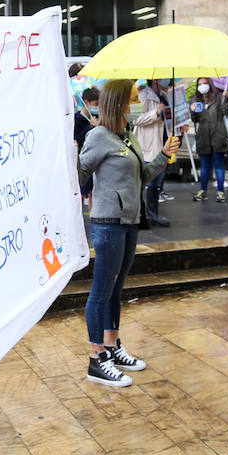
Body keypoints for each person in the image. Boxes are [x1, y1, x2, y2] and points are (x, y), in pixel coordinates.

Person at [77, 79, 179, 388]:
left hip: (130, 221)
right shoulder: (99, 136)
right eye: (130, 100)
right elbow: (78, 173)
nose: (134, 104)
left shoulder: (127, 136)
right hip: (107, 223)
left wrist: (163, 155)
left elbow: (142, 177)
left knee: (116, 288)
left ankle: (112, 345)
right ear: (117, 103)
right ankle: (97, 359)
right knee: (100, 291)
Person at [133, 79, 172, 225]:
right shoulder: (143, 95)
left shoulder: (164, 95)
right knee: (145, 180)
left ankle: (153, 214)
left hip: (162, 143)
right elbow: (136, 119)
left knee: (157, 182)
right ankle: (141, 215)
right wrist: (155, 113)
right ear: (155, 79)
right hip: (148, 145)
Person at [191, 77, 228, 202]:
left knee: (219, 166)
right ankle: (203, 191)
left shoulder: (219, 98)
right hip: (203, 138)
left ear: (210, 84)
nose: (202, 86)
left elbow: (226, 112)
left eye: (205, 83)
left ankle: (220, 192)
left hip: (218, 136)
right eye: (200, 84)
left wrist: (226, 100)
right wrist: (192, 111)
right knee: (204, 166)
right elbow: (196, 119)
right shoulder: (197, 100)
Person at [75, 87, 99, 207]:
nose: (97, 107)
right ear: (86, 102)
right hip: (83, 161)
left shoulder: (97, 118)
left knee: (92, 194)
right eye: (95, 104)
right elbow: (78, 140)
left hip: (96, 161)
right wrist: (92, 128)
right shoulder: (76, 119)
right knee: (82, 191)